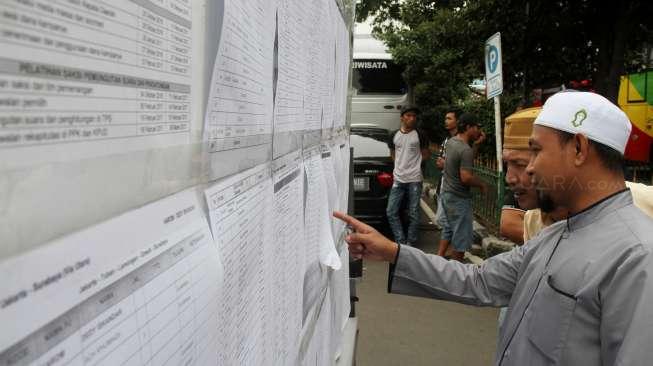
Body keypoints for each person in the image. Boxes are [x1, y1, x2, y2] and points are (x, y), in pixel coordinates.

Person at [334, 91, 653, 365]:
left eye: (538, 151)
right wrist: (391, 251)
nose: (530, 167)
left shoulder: (638, 257)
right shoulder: (555, 235)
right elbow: (478, 281)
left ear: (580, 149)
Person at [436, 113, 487, 261]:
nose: (478, 131)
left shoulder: (452, 142)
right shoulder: (465, 150)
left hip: (447, 194)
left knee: (449, 228)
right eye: (476, 127)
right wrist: (482, 184)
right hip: (459, 199)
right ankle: (454, 275)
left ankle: (439, 261)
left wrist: (476, 145)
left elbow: (463, 161)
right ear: (468, 127)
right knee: (461, 242)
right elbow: (466, 177)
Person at [386, 106, 430, 246]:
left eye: (414, 116)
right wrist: (400, 166)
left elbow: (426, 154)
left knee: (414, 213)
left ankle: (410, 242)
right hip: (398, 179)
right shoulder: (393, 135)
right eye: (409, 115)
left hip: (414, 179)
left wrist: (415, 165)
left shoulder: (420, 134)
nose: (412, 118)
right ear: (402, 117)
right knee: (391, 211)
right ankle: (401, 241)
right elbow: (392, 153)